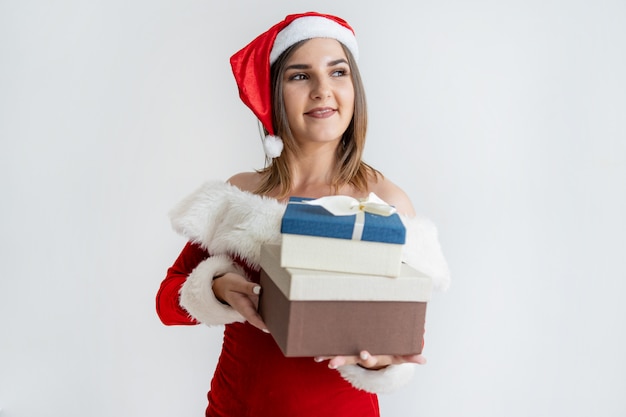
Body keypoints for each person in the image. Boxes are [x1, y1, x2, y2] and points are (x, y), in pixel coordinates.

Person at [156, 11, 450, 417]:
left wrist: (381, 362)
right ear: (276, 94)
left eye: (338, 72)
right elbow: (168, 302)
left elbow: (401, 332)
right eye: (299, 76)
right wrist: (220, 287)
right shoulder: (242, 193)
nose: (322, 90)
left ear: (354, 88)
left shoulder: (385, 204)